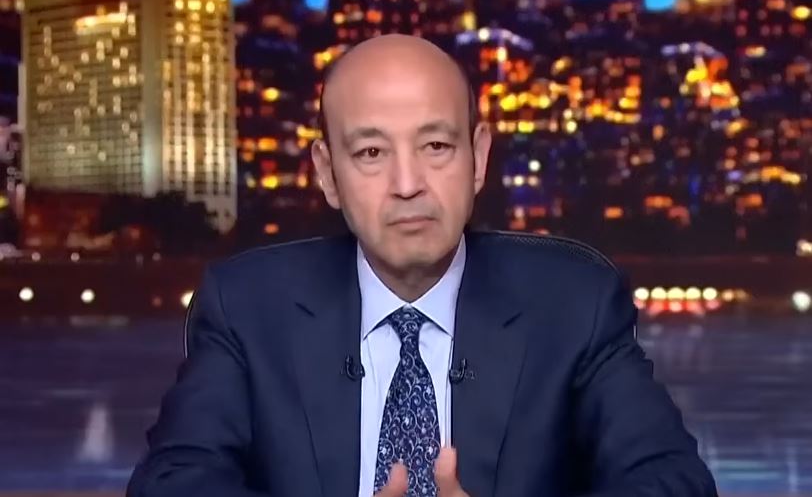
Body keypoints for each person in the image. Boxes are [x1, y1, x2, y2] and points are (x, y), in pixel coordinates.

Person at [127, 34, 717, 497]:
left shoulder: (575, 303)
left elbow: (674, 483)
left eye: (436, 146)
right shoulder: (246, 306)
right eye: (371, 152)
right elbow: (171, 483)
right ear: (328, 174)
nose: (407, 184)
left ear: (478, 158)